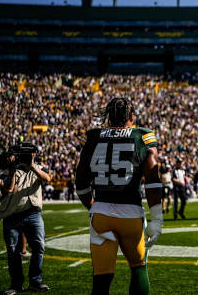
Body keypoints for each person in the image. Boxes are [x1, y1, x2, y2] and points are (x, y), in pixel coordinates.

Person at [75, 97, 163, 295]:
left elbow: (81, 182)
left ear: (108, 117)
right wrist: (157, 219)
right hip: (131, 213)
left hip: (101, 214)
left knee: (101, 277)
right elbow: (153, 181)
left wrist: (92, 205)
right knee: (139, 267)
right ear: (131, 117)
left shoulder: (93, 137)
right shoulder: (143, 136)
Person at [0, 144, 51, 294]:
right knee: (13, 251)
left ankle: (35, 281)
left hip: (33, 213)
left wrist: (32, 166)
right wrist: (13, 169)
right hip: (12, 214)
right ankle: (16, 284)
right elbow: (8, 189)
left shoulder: (39, 167)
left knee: (39, 246)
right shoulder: (9, 170)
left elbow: (47, 179)